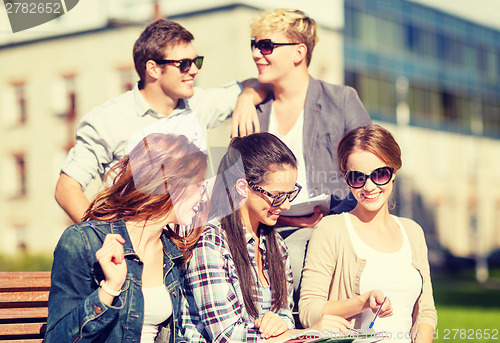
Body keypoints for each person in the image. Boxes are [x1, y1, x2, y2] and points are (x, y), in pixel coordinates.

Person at [55, 18, 266, 223]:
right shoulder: (106, 120)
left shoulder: (198, 103)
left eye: (196, 61)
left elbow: (260, 84)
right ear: (153, 69)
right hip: (142, 250)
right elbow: (67, 188)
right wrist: (102, 239)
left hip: (195, 244)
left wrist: (246, 97)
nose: (194, 70)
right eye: (184, 64)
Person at [238, 8, 372, 293]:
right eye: (254, 44)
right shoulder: (253, 110)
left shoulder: (342, 100)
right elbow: (231, 184)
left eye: (266, 45)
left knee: (298, 254)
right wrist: (245, 95)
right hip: (265, 228)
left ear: (299, 52)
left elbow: (371, 168)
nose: (256, 54)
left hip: (330, 226)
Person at [181, 132, 351, 342]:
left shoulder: (276, 245)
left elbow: (286, 317)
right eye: (277, 196)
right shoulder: (209, 242)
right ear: (242, 187)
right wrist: (306, 333)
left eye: (290, 194)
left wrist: (281, 325)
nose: (286, 206)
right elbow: (226, 336)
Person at [45, 133, 209, 343]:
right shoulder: (83, 241)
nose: (204, 198)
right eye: (199, 186)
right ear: (170, 184)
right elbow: (57, 340)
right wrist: (110, 288)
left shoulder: (172, 253)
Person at [299, 125, 437, 343]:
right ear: (345, 177)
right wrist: (361, 302)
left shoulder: (413, 231)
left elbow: (426, 311)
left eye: (379, 174)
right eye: (357, 177)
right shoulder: (331, 229)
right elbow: (308, 311)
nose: (369, 186)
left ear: (394, 171)